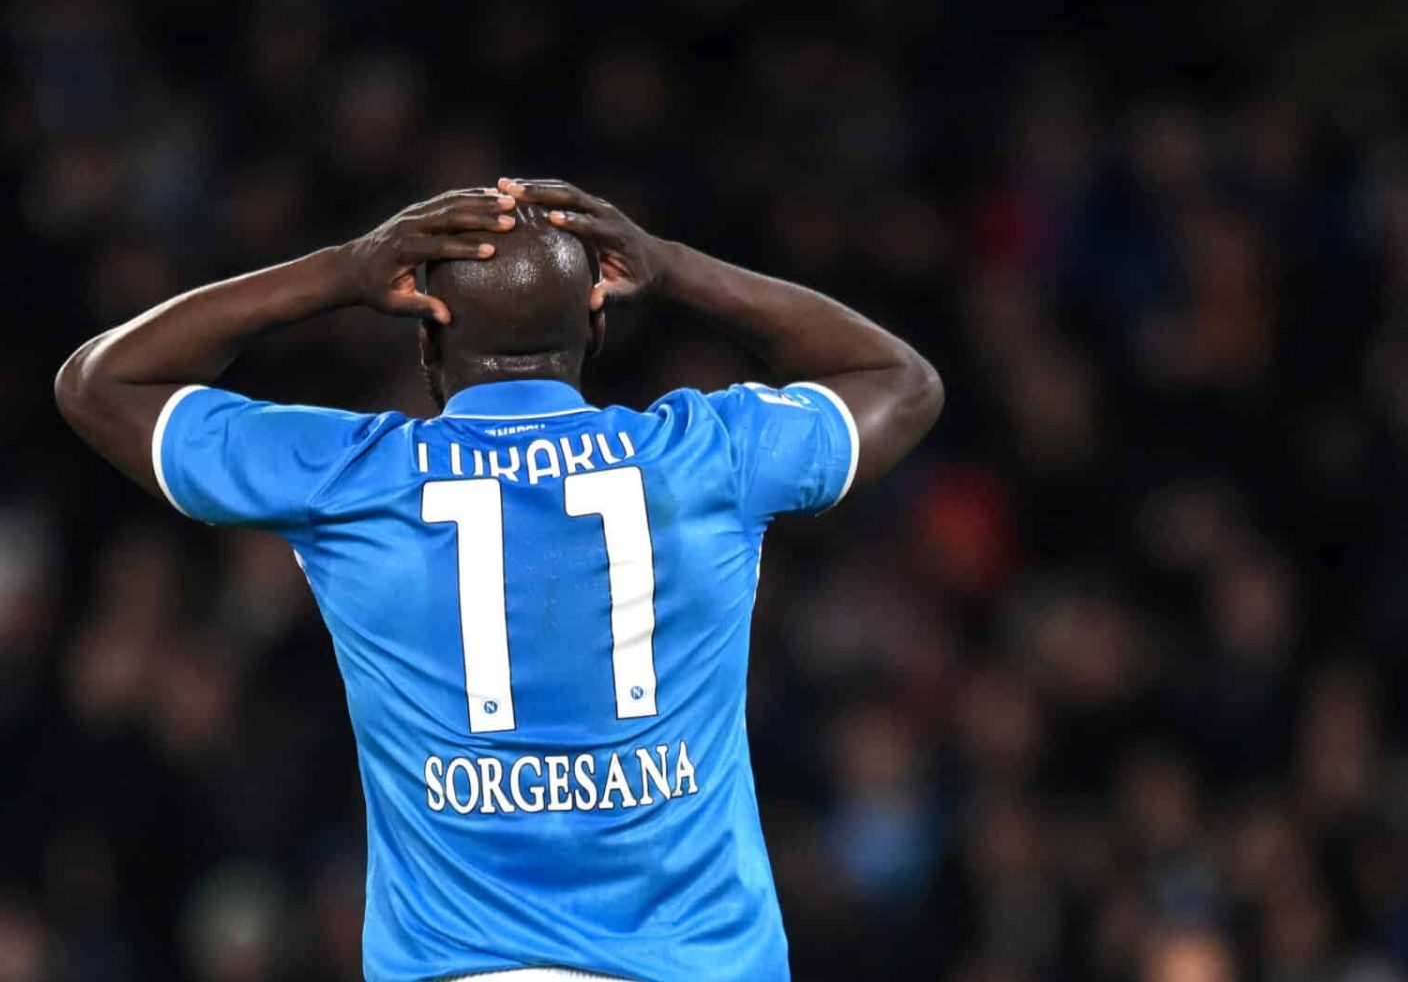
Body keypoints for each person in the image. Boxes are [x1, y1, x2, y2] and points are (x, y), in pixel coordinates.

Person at [55, 178, 943, 981]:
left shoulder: (357, 478)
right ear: (597, 326)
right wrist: (675, 269)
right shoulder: (705, 457)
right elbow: (898, 381)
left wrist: (339, 272)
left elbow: (101, 382)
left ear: (425, 342)